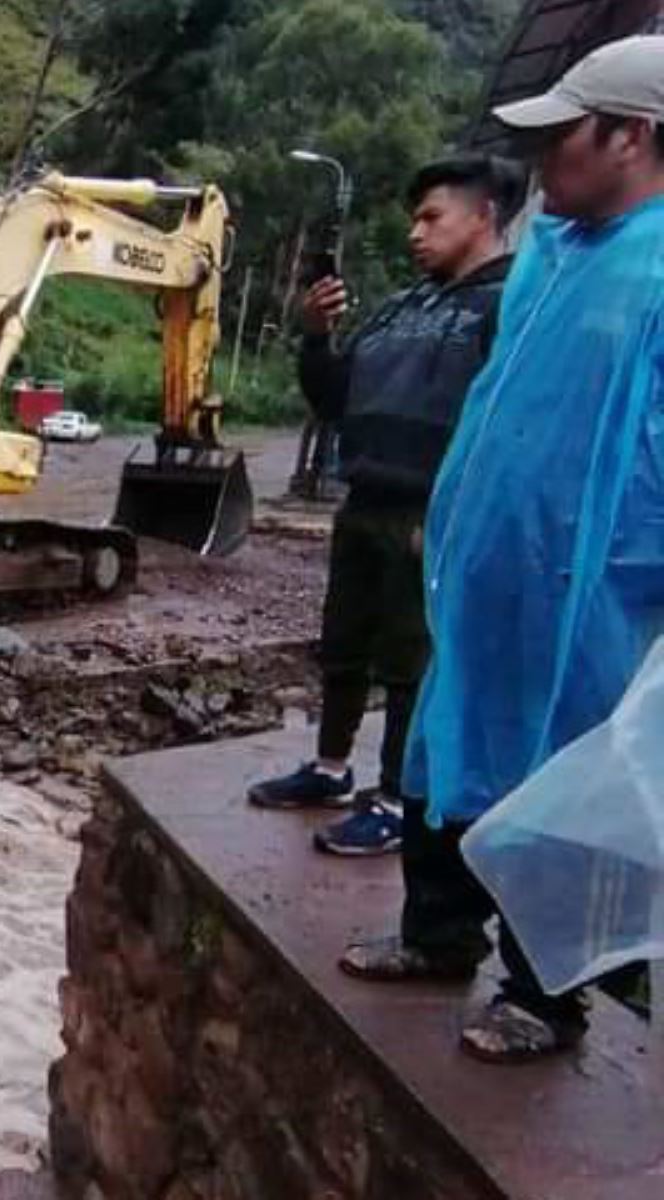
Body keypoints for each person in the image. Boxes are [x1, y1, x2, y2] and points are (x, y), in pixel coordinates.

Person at [339, 34, 664, 1064]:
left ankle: (546, 993)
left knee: (568, 778)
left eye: (564, 135)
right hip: (486, 569)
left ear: (631, 135)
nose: (540, 158)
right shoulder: (552, 256)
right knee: (450, 743)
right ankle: (439, 934)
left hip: (595, 590)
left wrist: (628, 568)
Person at [247, 156, 525, 859]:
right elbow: (333, 399)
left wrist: (458, 512)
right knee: (344, 641)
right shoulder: (402, 307)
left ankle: (400, 799)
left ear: (485, 215)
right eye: (414, 218)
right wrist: (317, 335)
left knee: (411, 658)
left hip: (431, 512)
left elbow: (513, 422)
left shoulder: (511, 304)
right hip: (364, 499)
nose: (415, 233)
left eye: (432, 217)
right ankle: (330, 769)